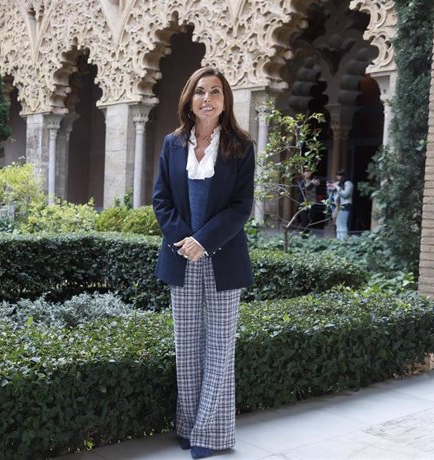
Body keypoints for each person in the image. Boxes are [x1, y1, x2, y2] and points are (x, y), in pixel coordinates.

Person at [152, 67, 255, 459]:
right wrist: (185, 241)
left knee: (220, 346)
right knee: (188, 344)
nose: (207, 98)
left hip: (222, 257)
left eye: (215, 91)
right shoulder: (172, 143)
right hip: (181, 256)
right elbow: (161, 200)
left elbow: (240, 207)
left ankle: (210, 434)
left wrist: (203, 241)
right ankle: (189, 425)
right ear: (189, 100)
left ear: (225, 100)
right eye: (200, 91)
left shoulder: (241, 146)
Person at [330, 169, 353, 240]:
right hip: (336, 205)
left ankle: (343, 241)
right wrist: (331, 187)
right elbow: (333, 195)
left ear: (344, 176)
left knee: (342, 225)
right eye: (337, 175)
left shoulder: (349, 183)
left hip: (344, 205)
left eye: (340, 175)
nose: (338, 177)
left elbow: (345, 194)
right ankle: (338, 241)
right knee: (338, 225)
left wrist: (337, 187)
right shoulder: (338, 183)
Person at [297, 168, 320, 234]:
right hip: (303, 204)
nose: (309, 172)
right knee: (304, 221)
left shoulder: (311, 180)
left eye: (310, 171)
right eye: (307, 171)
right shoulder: (300, 181)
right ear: (303, 173)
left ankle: (306, 235)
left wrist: (316, 184)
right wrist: (312, 184)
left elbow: (313, 192)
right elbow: (303, 190)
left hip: (312, 203)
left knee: (310, 221)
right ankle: (304, 237)